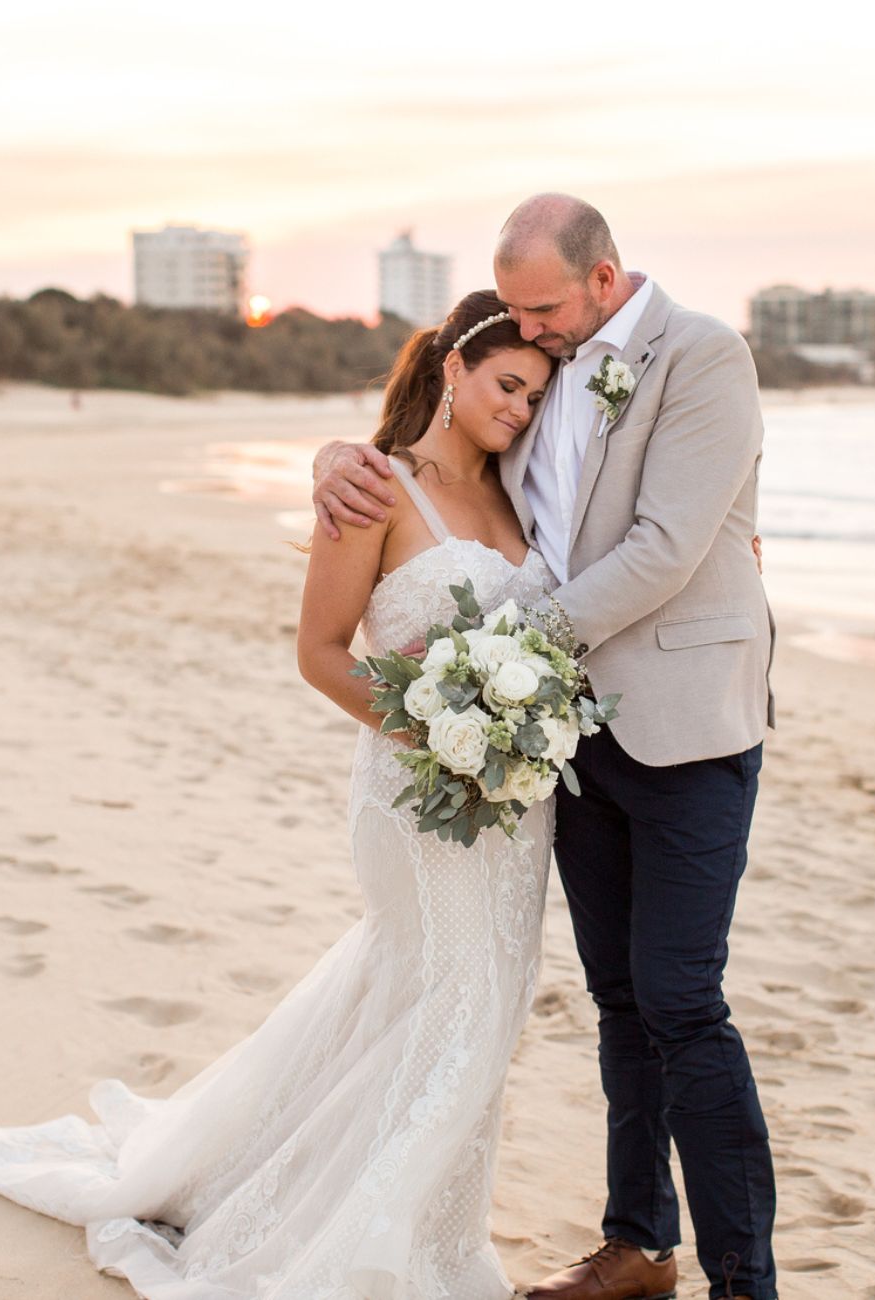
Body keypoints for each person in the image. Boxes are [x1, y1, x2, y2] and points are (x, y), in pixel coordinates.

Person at [0, 290, 560, 1299]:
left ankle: (406, 1219)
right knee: (455, 1003)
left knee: (455, 1004)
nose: (520, 411)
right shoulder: (375, 487)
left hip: (515, 810)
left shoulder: (531, 490)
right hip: (417, 791)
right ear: (453, 368)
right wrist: (446, 737)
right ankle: (372, 1248)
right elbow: (318, 652)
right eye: (505, 385)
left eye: (535, 395)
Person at [313, 195, 779, 1300]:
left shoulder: (702, 357)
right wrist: (340, 453)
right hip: (571, 744)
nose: (530, 328)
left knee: (681, 999)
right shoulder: (554, 361)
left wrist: (504, 658)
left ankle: (743, 1282)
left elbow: (666, 545)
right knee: (619, 997)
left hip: (687, 729)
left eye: (543, 306)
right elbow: (461, 438)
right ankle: (637, 1244)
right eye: (513, 312)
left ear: (604, 278)